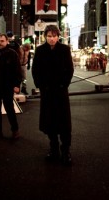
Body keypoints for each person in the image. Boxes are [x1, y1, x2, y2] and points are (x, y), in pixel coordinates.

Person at [32, 25, 74, 166]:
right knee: (49, 122)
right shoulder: (40, 50)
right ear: (45, 36)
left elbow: (70, 69)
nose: (52, 38)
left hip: (61, 92)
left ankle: (66, 151)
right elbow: (35, 70)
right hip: (47, 92)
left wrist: (64, 85)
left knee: (64, 123)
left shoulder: (64, 49)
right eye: (49, 36)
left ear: (58, 36)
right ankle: (53, 149)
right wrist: (41, 86)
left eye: (54, 36)